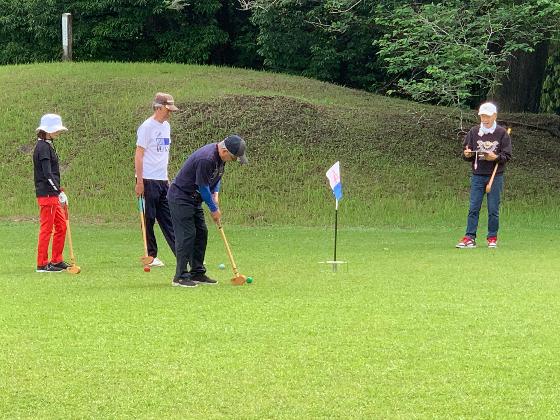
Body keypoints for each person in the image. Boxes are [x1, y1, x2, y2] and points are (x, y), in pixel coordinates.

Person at [167, 135, 248, 288]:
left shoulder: (220, 158)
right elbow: (203, 187)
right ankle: (180, 276)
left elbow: (216, 178)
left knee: (201, 232)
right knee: (187, 234)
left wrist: (215, 195)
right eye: (233, 157)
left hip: (194, 198)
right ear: (224, 151)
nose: (233, 160)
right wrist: (213, 208)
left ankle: (197, 272)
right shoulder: (206, 159)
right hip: (181, 197)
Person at [456, 102, 512, 248]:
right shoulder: (474, 132)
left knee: (493, 209)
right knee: (473, 207)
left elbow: (507, 156)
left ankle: (492, 238)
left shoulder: (502, 133)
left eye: (487, 116)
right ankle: (469, 237)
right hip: (477, 175)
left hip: (495, 176)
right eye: (482, 116)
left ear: (494, 116)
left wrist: (496, 157)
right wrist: (467, 154)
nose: (484, 119)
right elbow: (466, 153)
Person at [134, 93, 179, 267]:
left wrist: (166, 178)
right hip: (147, 179)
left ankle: (181, 253)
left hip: (162, 180)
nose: (170, 114)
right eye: (168, 110)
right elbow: (139, 155)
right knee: (149, 219)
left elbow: (163, 155)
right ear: (158, 107)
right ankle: (151, 255)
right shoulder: (146, 127)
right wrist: (139, 181)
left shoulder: (166, 126)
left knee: (168, 218)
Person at [33, 114, 70, 272]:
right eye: (55, 130)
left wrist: (59, 191)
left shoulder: (48, 145)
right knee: (47, 229)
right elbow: (47, 174)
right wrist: (57, 191)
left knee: (61, 226)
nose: (58, 133)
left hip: (53, 194)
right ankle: (42, 263)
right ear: (47, 131)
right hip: (47, 195)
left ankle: (56, 260)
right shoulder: (42, 147)